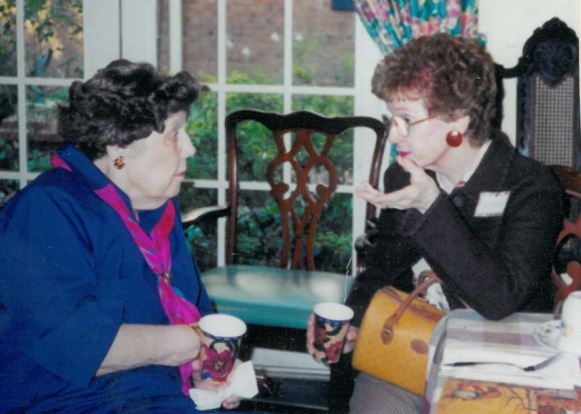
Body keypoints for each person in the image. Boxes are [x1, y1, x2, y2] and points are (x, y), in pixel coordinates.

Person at [306, 33, 566, 414]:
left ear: (456, 122)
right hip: (408, 348)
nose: (393, 134)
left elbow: (499, 298)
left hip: (501, 363)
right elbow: (382, 269)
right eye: (391, 119)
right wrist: (349, 323)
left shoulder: (531, 186)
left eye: (406, 120)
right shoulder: (402, 175)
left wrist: (430, 203)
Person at [0, 60, 247, 413]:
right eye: (175, 134)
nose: (190, 148)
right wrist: (187, 343)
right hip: (68, 402)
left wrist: (208, 370)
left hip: (155, 395)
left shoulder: (156, 207)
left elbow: (194, 312)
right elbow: (74, 344)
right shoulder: (48, 208)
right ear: (120, 148)